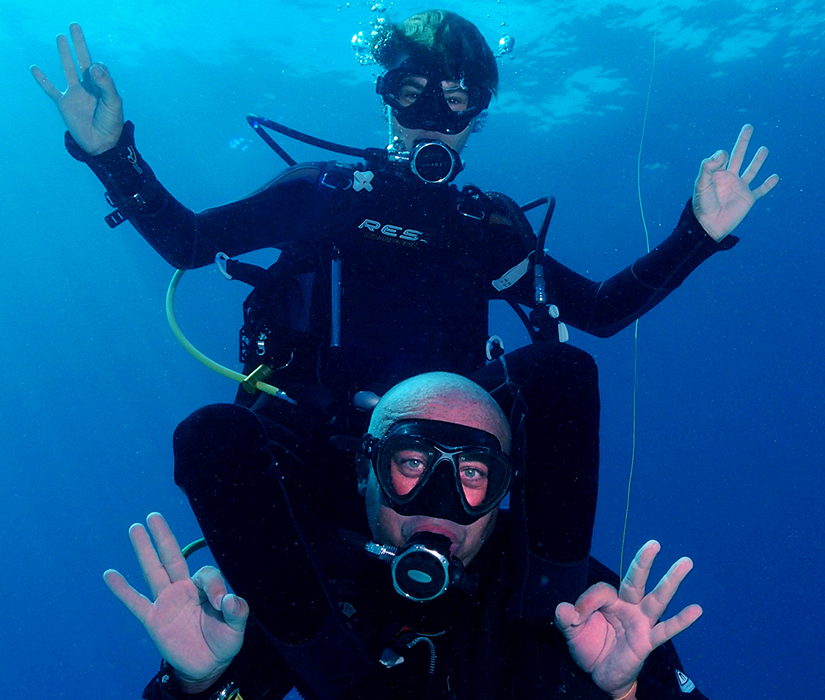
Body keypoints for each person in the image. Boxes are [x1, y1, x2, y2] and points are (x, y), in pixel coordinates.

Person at [33, 8, 776, 684]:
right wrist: (109, 153)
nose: (432, 117)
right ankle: (328, 675)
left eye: (457, 100)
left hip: (457, 477)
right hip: (321, 461)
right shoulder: (324, 192)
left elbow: (601, 312)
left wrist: (696, 235)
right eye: (412, 92)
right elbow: (193, 242)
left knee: (562, 370)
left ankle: (544, 624)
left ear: (477, 115)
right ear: (386, 96)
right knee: (215, 439)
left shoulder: (488, 227)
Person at [106, 372, 706, 700]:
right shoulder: (293, 586)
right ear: (366, 471)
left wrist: (625, 694)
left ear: (503, 492)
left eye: (472, 472)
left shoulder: (587, 608)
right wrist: (195, 684)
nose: (441, 502)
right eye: (413, 462)